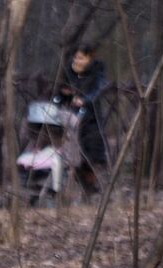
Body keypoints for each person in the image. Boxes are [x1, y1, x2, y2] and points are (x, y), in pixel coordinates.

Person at [59, 45, 109, 193]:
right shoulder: (69, 71)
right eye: (76, 57)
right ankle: (76, 184)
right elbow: (63, 89)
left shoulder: (97, 71)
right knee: (73, 152)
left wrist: (85, 100)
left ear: (89, 58)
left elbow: (98, 89)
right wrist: (66, 94)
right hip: (71, 116)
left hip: (91, 117)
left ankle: (90, 185)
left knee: (91, 154)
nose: (77, 61)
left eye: (81, 58)